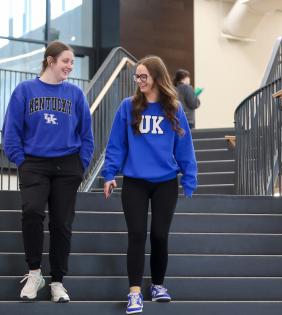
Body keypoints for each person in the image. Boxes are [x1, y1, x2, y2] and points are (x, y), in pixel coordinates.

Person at [101, 56, 197, 314]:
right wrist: (109, 174)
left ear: (156, 77)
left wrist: (189, 177)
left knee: (159, 235)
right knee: (136, 235)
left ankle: (157, 285)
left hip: (165, 182)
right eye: (137, 77)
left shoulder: (173, 108)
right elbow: (116, 145)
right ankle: (134, 293)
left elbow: (184, 146)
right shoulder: (128, 107)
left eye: (143, 76)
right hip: (135, 182)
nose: (139, 81)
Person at [2, 40, 94, 303]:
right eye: (65, 61)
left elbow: (87, 135)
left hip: (67, 166)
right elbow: (11, 131)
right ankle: (34, 273)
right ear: (50, 61)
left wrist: (81, 164)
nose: (69, 66)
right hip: (34, 164)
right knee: (31, 212)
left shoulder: (75, 94)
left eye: (72, 62)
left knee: (61, 224)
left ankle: (57, 282)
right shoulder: (25, 91)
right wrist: (21, 160)